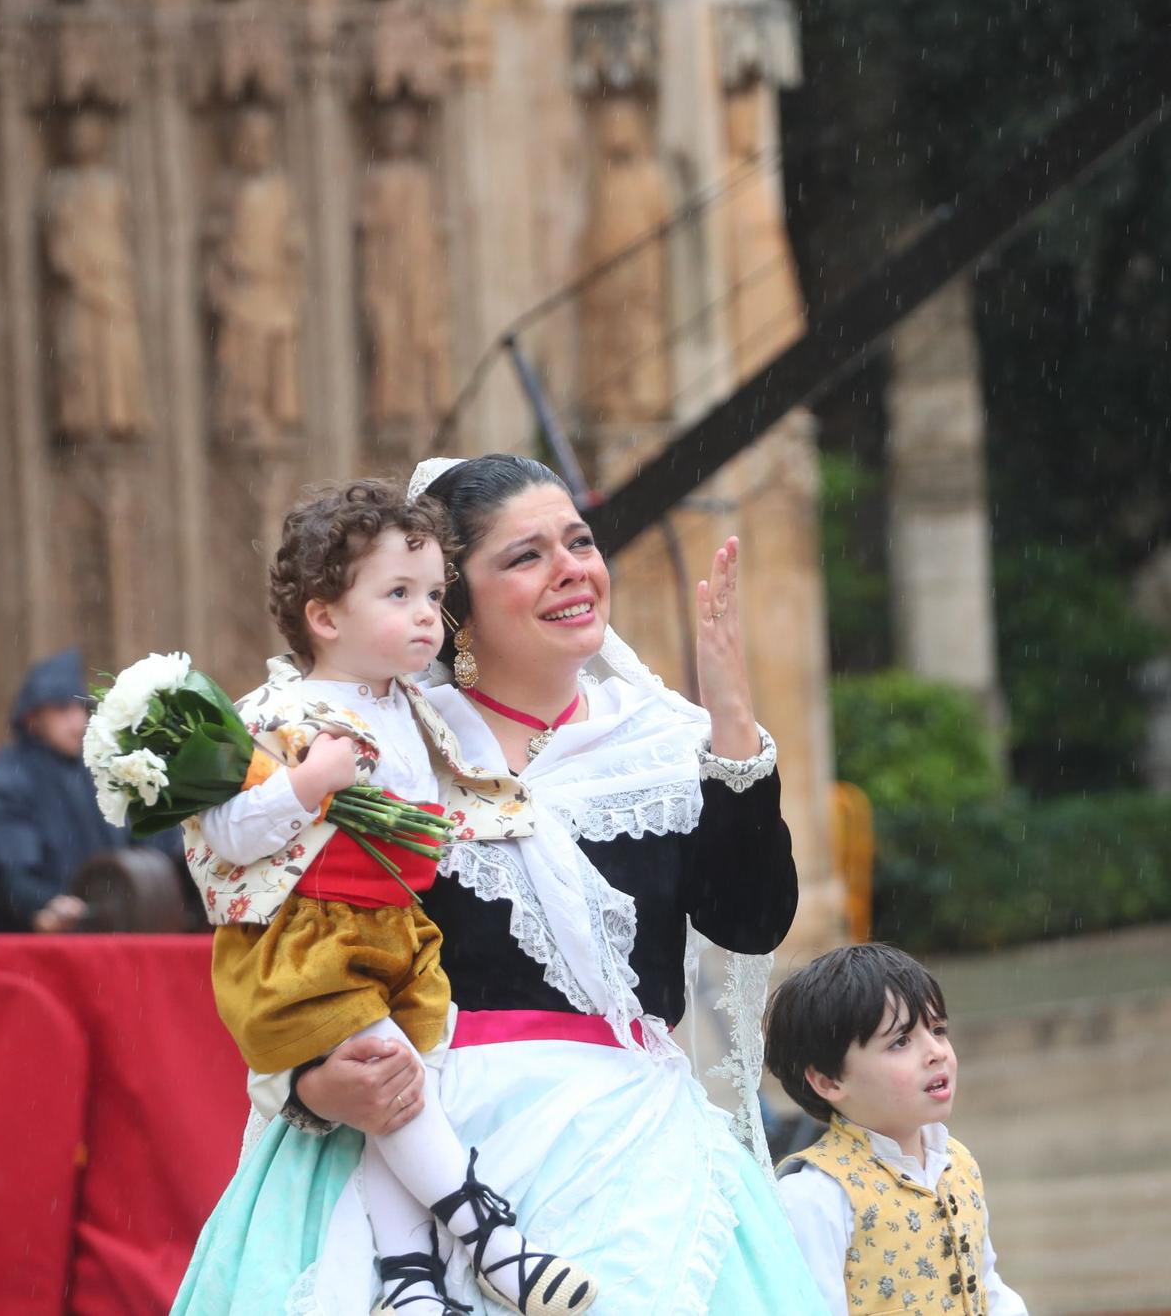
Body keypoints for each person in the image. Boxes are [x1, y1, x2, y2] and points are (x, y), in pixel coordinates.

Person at [173, 455, 826, 1314]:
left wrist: (732, 715)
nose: (571, 569)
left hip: (630, 1149)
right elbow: (286, 939)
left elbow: (750, 922)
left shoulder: (663, 741)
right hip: (414, 1126)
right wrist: (311, 1081)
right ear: (455, 605)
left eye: (579, 541)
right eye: (525, 556)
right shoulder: (382, 744)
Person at [186, 480, 595, 1315]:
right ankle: (487, 1236)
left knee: (413, 1087)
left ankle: (408, 1274)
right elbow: (222, 835)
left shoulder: (416, 707)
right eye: (399, 594)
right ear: (325, 617)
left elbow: (462, 791)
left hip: (398, 932)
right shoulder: (279, 709)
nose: (426, 617)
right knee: (390, 1072)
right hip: (311, 939)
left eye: (436, 596)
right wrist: (305, 785)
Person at [764, 944, 1026, 1316]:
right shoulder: (813, 1195)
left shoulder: (958, 1163)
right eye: (900, 1041)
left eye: (938, 1029)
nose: (935, 1051)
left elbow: (986, 1285)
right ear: (828, 1080)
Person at [0, 649, 181, 933]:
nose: (77, 722)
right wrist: (42, 904)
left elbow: (148, 844)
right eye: (62, 710)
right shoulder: (11, 775)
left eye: (81, 709)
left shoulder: (99, 768)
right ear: (33, 718)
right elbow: (2, 865)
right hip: (29, 941)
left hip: (106, 936)